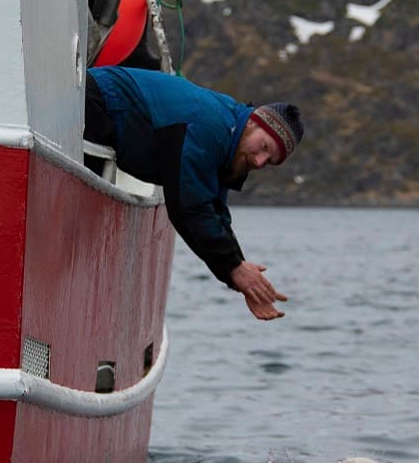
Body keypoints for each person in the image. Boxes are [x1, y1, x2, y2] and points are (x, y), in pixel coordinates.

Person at [85, 66, 304, 321]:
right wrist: (234, 268)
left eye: (269, 161)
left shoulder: (229, 136)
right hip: (95, 100)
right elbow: (189, 207)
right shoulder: (209, 125)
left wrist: (240, 272)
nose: (259, 161)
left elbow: (214, 211)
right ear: (253, 122)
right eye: (264, 147)